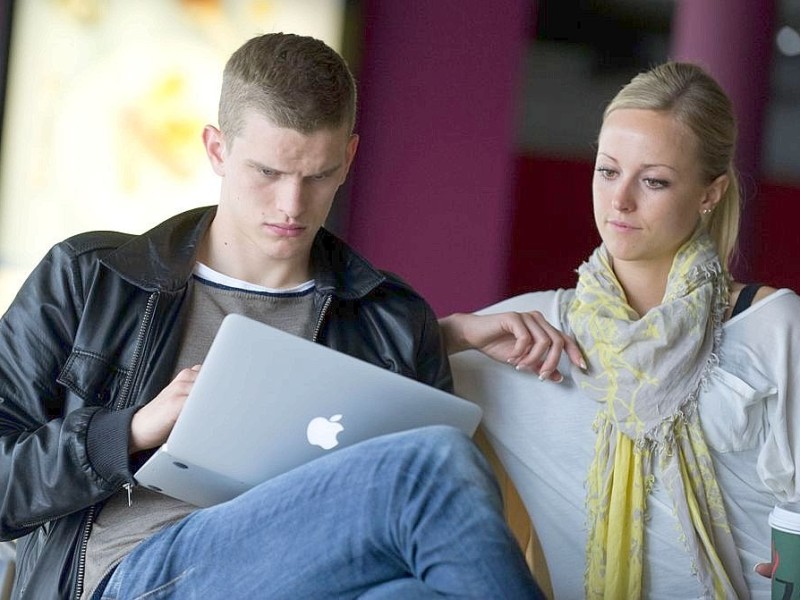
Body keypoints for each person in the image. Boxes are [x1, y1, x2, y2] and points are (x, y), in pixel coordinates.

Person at [0, 33, 543, 599]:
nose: (291, 205)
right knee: (431, 465)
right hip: (138, 576)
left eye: (316, 176)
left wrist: (438, 336)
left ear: (349, 159)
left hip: (322, 581)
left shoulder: (392, 323)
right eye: (268, 173)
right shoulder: (92, 278)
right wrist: (131, 431)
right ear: (216, 149)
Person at [440, 61, 796, 599]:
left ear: (710, 192)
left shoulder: (774, 326)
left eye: (653, 180)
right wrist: (454, 331)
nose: (620, 200)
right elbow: (347, 383)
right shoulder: (530, 335)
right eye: (608, 171)